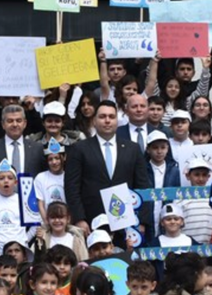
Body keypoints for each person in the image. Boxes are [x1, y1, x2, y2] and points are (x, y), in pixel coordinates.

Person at [65, 101, 152, 235]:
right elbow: (72, 187)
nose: (107, 121)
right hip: (90, 222)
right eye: (102, 117)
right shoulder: (79, 149)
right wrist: (79, 219)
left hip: (127, 222)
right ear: (94, 121)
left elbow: (143, 185)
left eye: (111, 117)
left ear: (117, 121)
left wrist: (142, 221)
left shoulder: (132, 149)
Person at [0, 104, 45, 179]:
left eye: (19, 121)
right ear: (3, 124)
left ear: (25, 123)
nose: (15, 124)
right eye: (10, 121)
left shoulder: (37, 148)